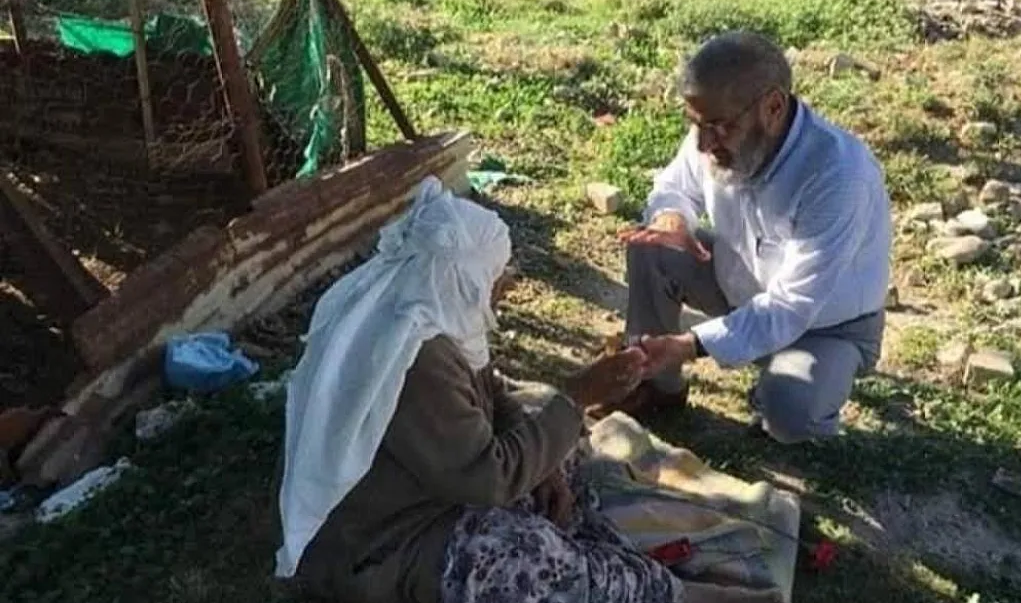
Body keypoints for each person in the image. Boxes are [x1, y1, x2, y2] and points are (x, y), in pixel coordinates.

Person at [275, 178, 775, 603]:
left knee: (552, 440)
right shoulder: (414, 355)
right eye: (493, 277)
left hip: (423, 494)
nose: (503, 287)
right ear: (461, 278)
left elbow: (490, 391)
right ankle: (647, 588)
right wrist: (578, 395)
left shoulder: (423, 302)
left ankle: (606, 567)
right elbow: (487, 480)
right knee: (525, 557)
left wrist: (548, 464)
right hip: (379, 544)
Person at [619, 30, 892, 444]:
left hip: (824, 327)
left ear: (774, 106)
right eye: (695, 124)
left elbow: (791, 304)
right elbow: (673, 187)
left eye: (718, 127)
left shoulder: (838, 174)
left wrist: (691, 344)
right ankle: (656, 387)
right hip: (738, 283)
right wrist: (672, 218)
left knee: (790, 418)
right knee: (653, 246)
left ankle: (789, 387)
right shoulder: (713, 129)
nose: (704, 142)